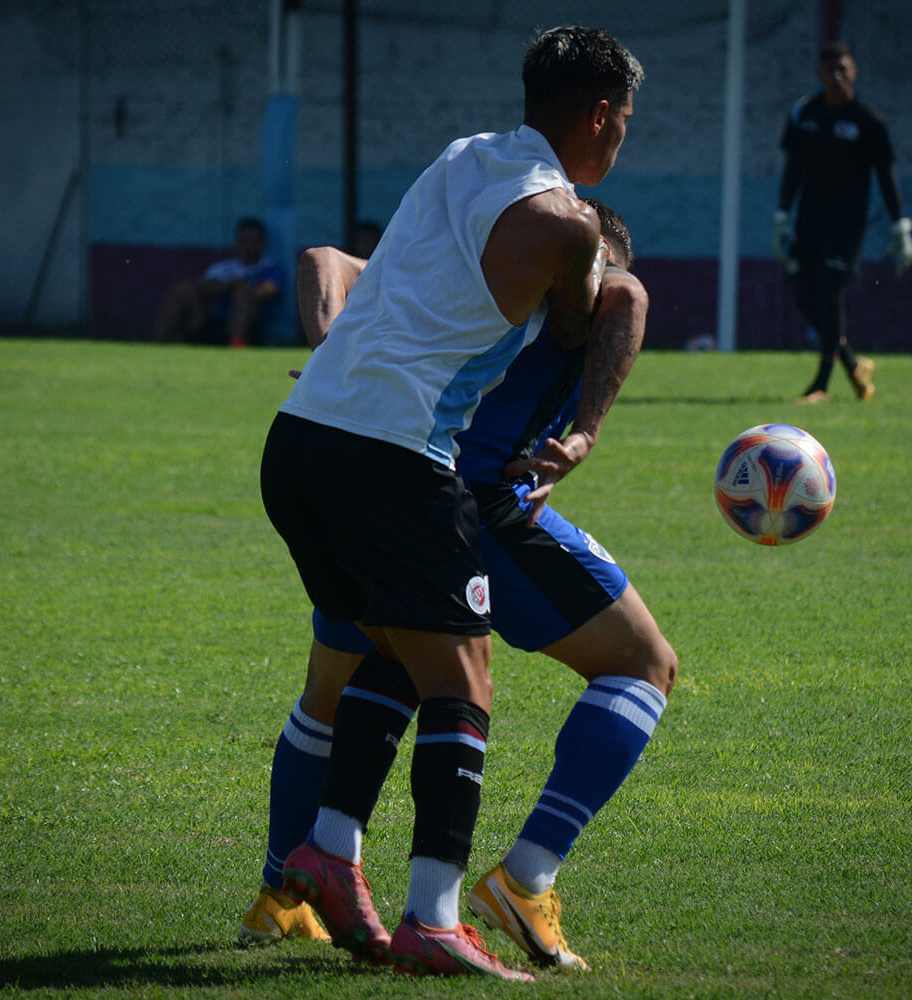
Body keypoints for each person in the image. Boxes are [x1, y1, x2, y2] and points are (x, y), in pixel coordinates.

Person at [257, 24, 642, 981]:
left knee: (388, 650)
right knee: (463, 683)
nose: (623, 135)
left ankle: (328, 855)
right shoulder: (570, 227)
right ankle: (433, 919)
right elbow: (599, 307)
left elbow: (352, 267)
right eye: (625, 119)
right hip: (395, 459)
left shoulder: (461, 157)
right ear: (600, 115)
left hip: (299, 440)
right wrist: (587, 422)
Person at [773, 40, 912, 404]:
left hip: (847, 227)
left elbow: (886, 175)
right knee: (805, 298)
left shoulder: (868, 122)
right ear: (819, 74)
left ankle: (821, 384)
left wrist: (900, 226)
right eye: (829, 70)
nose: (836, 76)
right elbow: (793, 170)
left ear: (854, 72)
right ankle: (853, 364)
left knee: (830, 294)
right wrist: (782, 216)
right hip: (809, 222)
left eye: (843, 69)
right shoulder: (804, 114)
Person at [151, 216, 285, 347]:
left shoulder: (271, 268)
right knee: (182, 290)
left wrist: (234, 286)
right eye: (244, 241)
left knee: (242, 290)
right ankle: (156, 344)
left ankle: (236, 342)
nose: (248, 246)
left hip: (249, 327)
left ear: (262, 243)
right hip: (211, 321)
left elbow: (266, 291)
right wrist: (228, 285)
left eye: (253, 241)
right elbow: (199, 289)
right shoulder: (222, 268)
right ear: (237, 242)